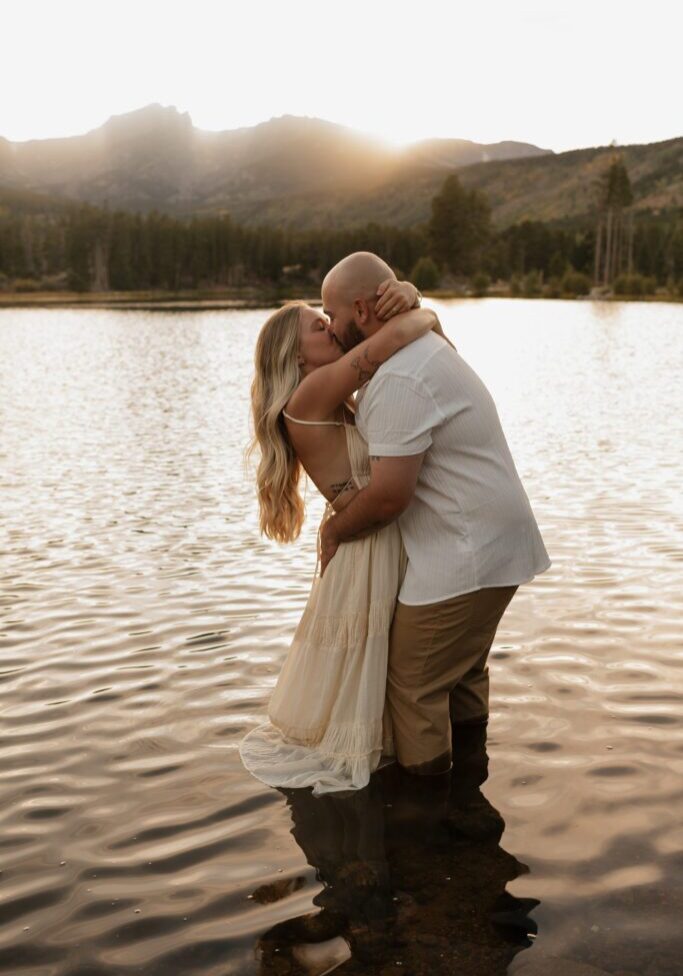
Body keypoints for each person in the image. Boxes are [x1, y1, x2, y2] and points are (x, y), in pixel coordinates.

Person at [320, 252, 551, 777]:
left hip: (463, 556)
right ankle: (471, 786)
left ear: (361, 309)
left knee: (413, 682)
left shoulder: (397, 379)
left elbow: (388, 497)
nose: (331, 329)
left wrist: (334, 529)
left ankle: (426, 813)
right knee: (464, 671)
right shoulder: (425, 347)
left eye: (332, 315)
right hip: (499, 545)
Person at [239, 280, 446, 794]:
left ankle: (406, 779)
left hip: (374, 539)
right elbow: (395, 339)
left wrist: (405, 296)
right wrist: (420, 305)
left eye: (326, 319)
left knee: (383, 667)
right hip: (368, 547)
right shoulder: (309, 395)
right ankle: (411, 784)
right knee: (376, 665)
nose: (330, 327)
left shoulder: (331, 395)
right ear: (296, 353)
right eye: (318, 325)